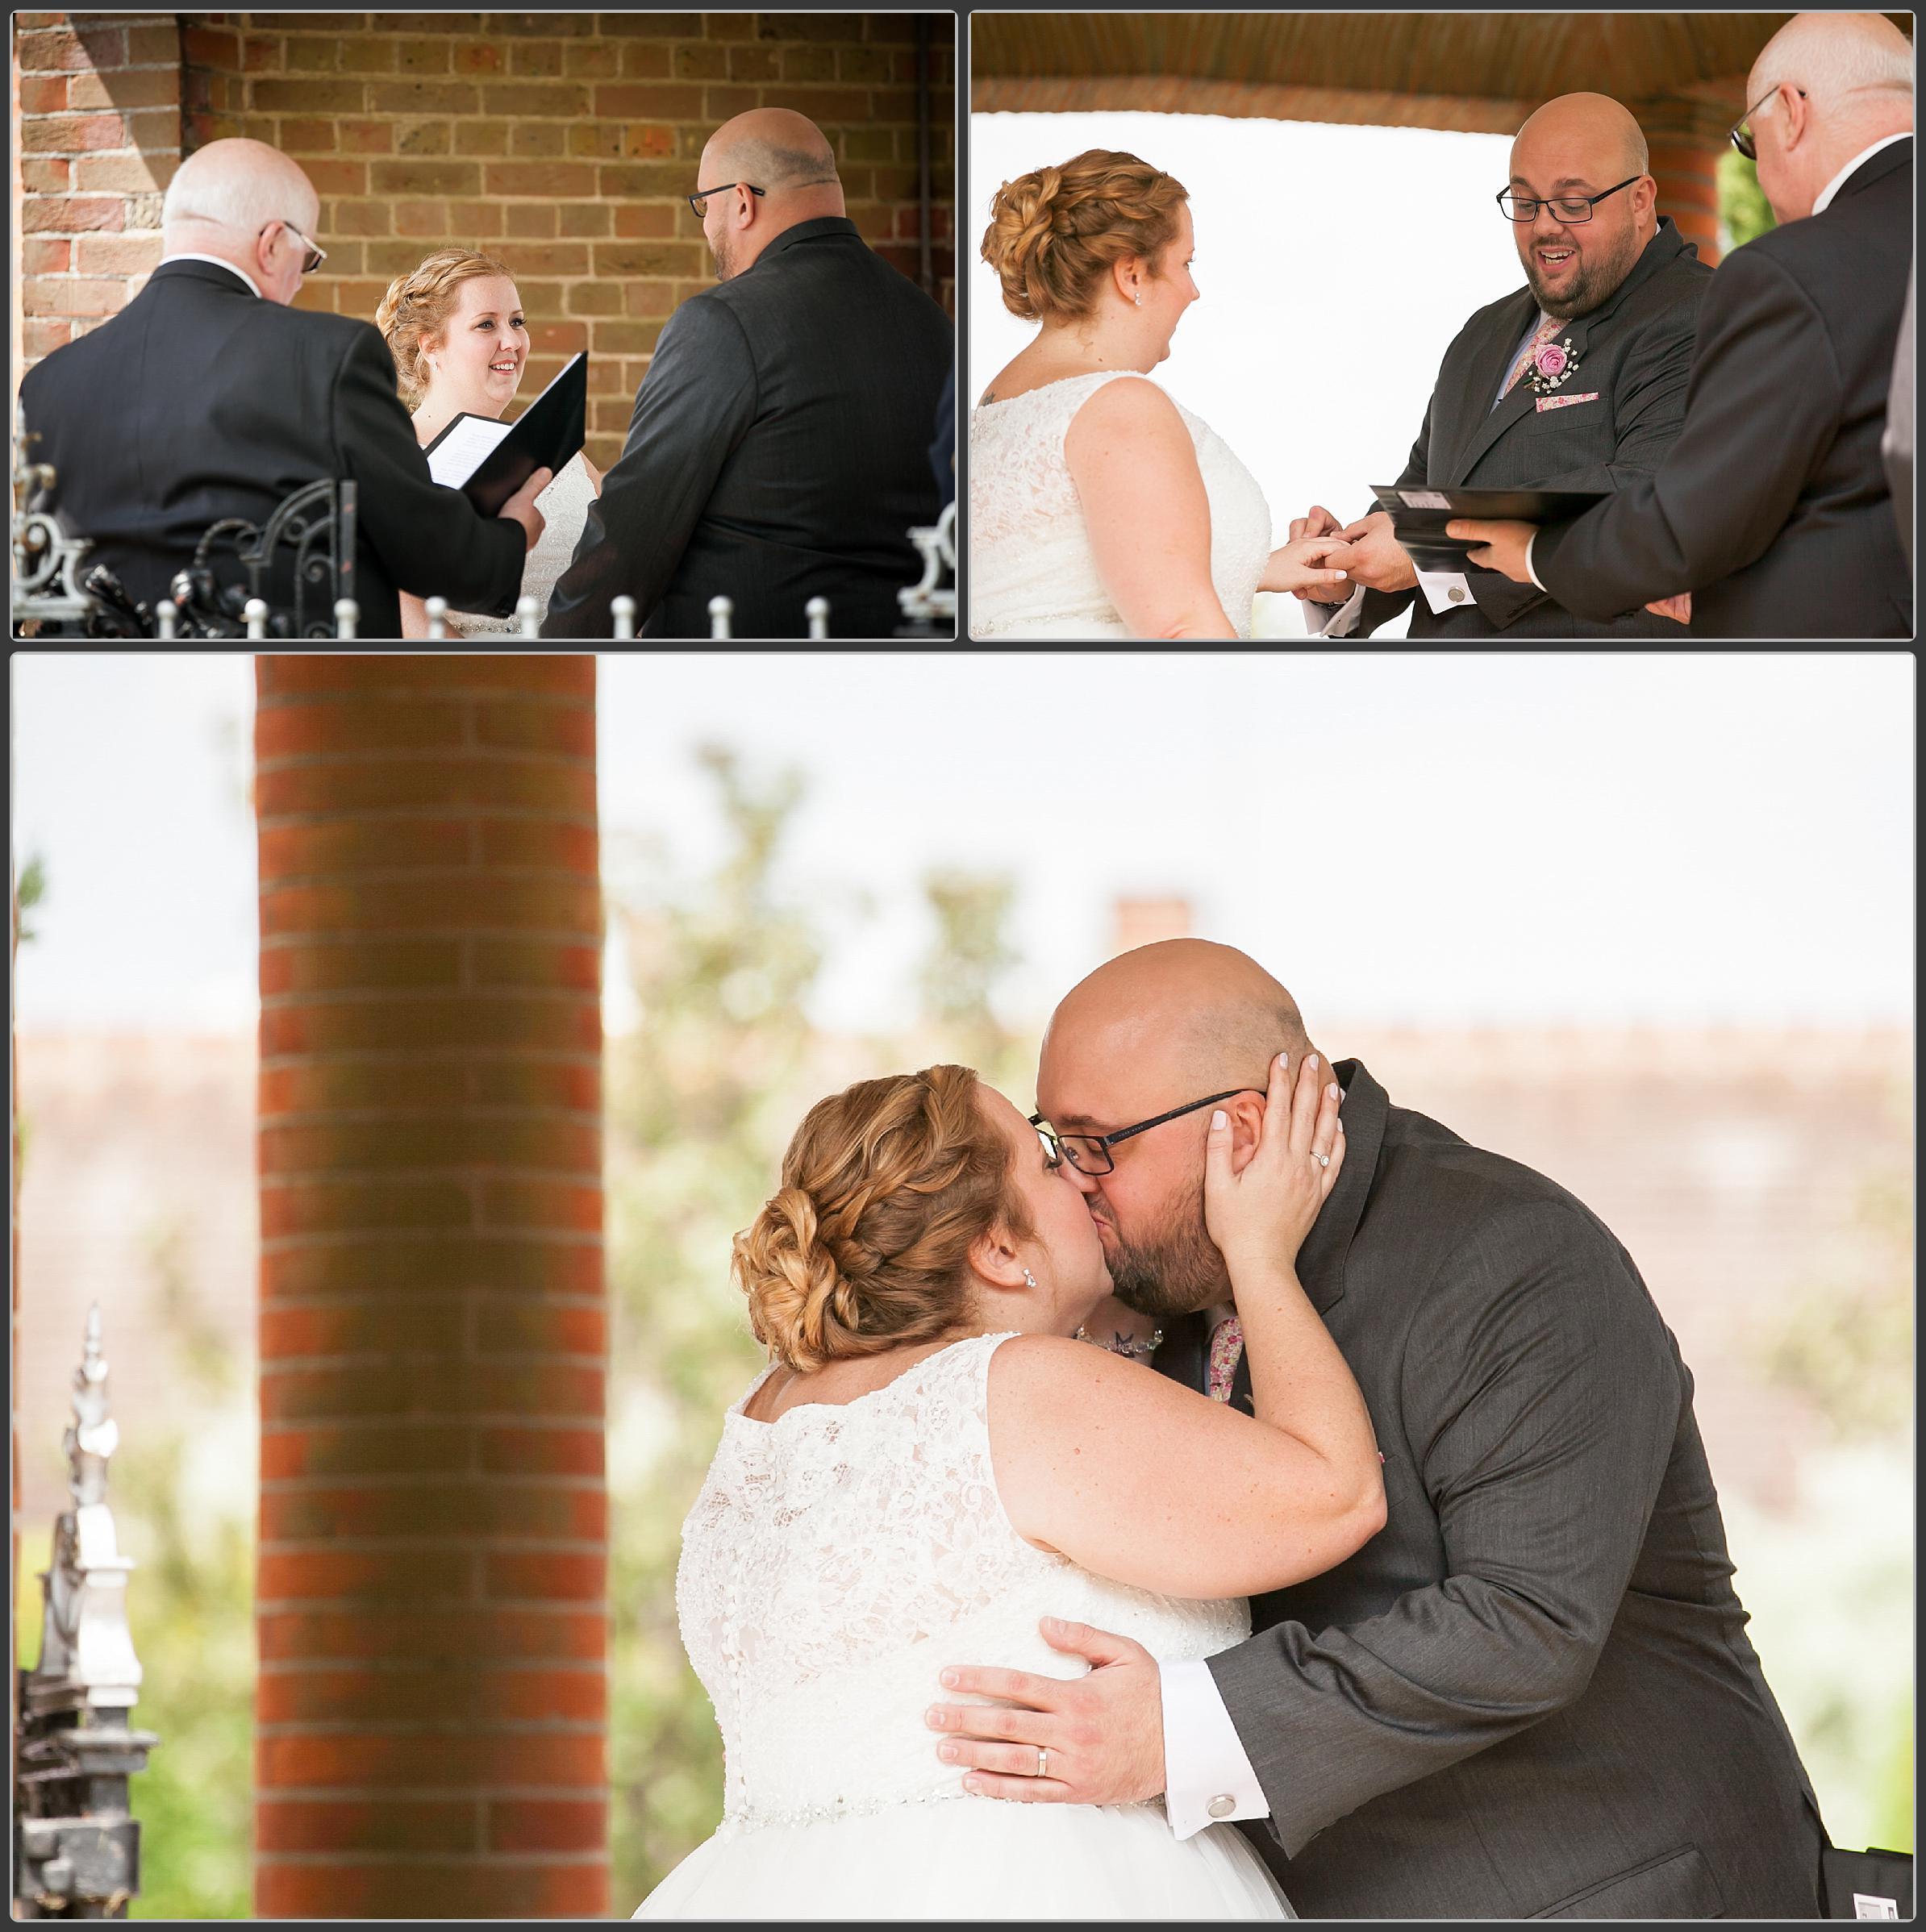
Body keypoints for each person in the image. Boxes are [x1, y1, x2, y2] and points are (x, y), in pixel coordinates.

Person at [926, 940, 1826, 1920]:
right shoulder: (1152, 1287)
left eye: (1100, 1144)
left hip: (1603, 1892)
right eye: (1057, 1144)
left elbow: (1526, 1620)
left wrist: (1175, 1734)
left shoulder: (1508, 1252)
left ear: (1243, 1127)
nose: (1077, 1182)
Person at [635, 1054, 1385, 1917]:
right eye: (1047, 1156)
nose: (1078, 1170)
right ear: (996, 1247)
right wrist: (1261, 1253)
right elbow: (1336, 1493)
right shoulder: (1018, 1388)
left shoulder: (768, 1412)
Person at [1453, 13, 1913, 638]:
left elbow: (1695, 519)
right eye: (1526, 202)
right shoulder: (1483, 333)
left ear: (1791, 110)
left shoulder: (1794, 271)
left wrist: (1536, 554)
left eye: (1751, 142)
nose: (1759, 172)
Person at [16, 138, 545, 639]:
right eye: (307, 260)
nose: (298, 282)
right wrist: (511, 535)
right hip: (281, 678)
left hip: (96, 685)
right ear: (271, 244)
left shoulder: (49, 384)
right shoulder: (326, 356)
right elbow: (431, 551)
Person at [1290, 94, 1711, 640]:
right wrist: (1347, 568)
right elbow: (1424, 493)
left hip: (1591, 699)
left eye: (1573, 201)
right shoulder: (1482, 333)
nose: (1544, 227)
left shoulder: (1703, 312)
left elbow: (1643, 496)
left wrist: (1427, 550)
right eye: (1526, 201)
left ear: (1639, 199)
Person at [543, 109, 953, 640]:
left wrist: (553, 649)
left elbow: (634, 529)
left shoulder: (724, 323)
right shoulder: (932, 323)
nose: (707, 227)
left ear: (741, 201)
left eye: (703, 206)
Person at [969, 151, 1348, 639]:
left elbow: (1063, 579)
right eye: (1185, 263)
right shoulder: (1120, 404)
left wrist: (1254, 567)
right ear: (1132, 277)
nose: (1192, 291)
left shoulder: (1000, 400)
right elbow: (1180, 627)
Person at [374, 248, 601, 638]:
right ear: (431, 346)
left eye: (517, 321)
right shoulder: (391, 459)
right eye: (485, 325)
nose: (511, 341)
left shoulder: (567, 456)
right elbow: (407, 617)